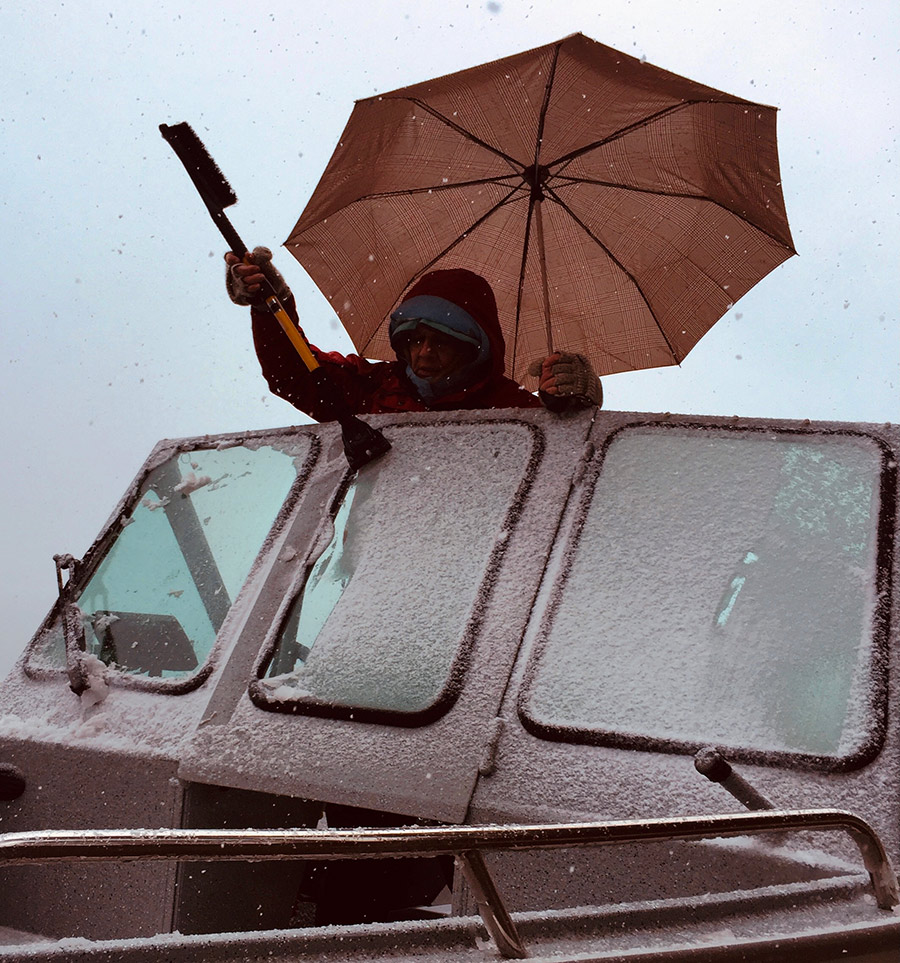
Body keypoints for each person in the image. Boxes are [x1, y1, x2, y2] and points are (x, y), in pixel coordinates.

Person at [225, 248, 602, 419]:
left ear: (473, 348)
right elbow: (294, 374)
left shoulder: (513, 407)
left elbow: (567, 461)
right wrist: (270, 308)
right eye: (415, 340)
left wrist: (576, 404)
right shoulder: (373, 386)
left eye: (440, 342)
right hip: (377, 552)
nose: (423, 353)